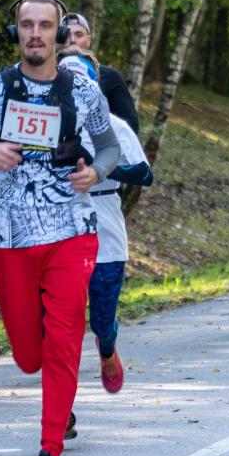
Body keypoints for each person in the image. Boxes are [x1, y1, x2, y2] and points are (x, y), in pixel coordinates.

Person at [0, 0, 121, 456]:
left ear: (59, 33)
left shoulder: (84, 91)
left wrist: (97, 171)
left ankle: (49, 453)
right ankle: (55, 394)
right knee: (30, 354)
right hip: (10, 234)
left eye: (45, 26)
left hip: (71, 230)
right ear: (17, 32)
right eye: (27, 25)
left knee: (65, 337)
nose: (35, 34)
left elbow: (109, 146)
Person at [57, 47, 154, 395]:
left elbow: (144, 173)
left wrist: (101, 170)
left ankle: (107, 348)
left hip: (106, 229)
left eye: (80, 80)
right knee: (60, 326)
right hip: (59, 226)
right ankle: (60, 409)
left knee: (101, 319)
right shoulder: (46, 124)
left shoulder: (114, 126)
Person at [66, 13, 140, 132]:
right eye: (66, 35)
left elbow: (131, 125)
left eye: (79, 35)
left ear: (88, 40)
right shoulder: (46, 76)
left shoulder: (109, 76)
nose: (72, 40)